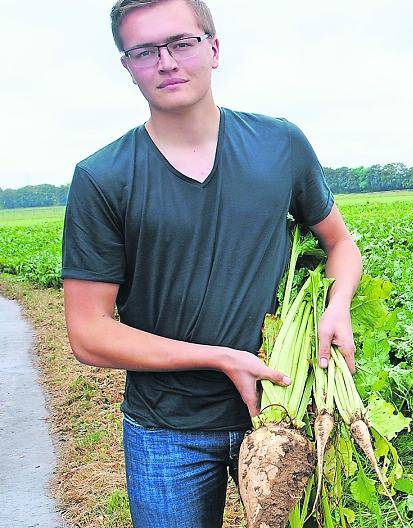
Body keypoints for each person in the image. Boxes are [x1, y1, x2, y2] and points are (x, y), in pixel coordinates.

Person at [60, 1, 362, 526]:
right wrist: (220, 356)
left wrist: (337, 307)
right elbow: (88, 333)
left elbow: (340, 245)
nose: (166, 61)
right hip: (166, 429)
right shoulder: (103, 178)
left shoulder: (279, 145)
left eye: (181, 43)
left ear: (214, 49)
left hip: (285, 414)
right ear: (127, 66)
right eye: (145, 51)